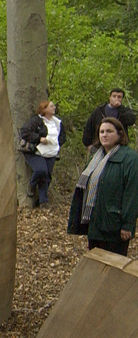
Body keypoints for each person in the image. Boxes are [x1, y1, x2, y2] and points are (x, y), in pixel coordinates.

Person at [68, 117, 138, 257]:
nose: (104, 135)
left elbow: (132, 193)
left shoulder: (130, 158)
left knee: (114, 268)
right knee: (96, 266)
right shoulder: (95, 158)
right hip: (94, 222)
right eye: (101, 132)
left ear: (120, 134)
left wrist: (127, 225)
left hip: (114, 225)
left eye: (109, 131)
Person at [19, 100, 65, 206]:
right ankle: (31, 185)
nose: (54, 108)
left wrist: (57, 144)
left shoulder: (57, 122)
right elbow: (24, 132)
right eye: (51, 106)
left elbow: (62, 136)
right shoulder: (37, 121)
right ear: (44, 109)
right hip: (36, 152)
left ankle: (43, 201)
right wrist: (39, 139)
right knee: (41, 170)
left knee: (47, 177)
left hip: (51, 153)